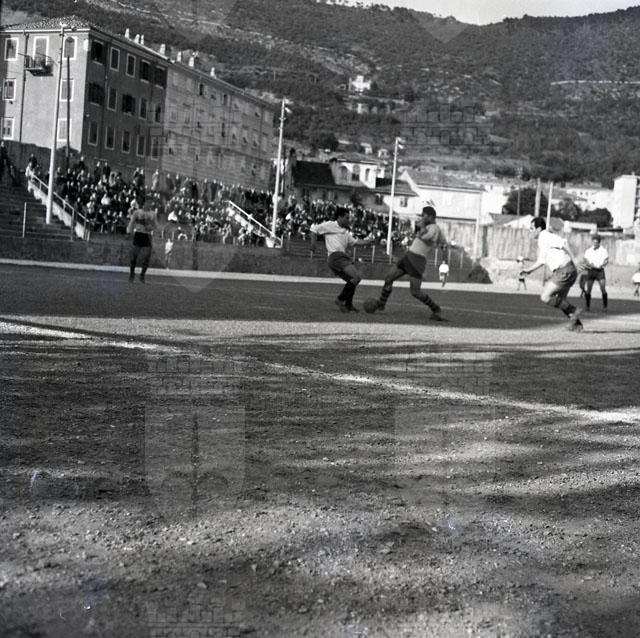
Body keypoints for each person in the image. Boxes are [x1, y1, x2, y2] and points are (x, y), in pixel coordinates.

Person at [371, 205, 447, 321]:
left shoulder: (434, 228)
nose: (422, 217)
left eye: (424, 215)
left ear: (431, 217)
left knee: (415, 292)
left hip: (418, 260)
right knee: (389, 278)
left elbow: (426, 238)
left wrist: (421, 228)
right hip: (409, 256)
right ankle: (381, 303)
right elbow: (433, 240)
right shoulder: (428, 227)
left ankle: (436, 309)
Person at [520, 217, 583, 331]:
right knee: (561, 301)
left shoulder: (545, 236)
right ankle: (577, 325)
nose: (530, 231)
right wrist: (528, 271)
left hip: (564, 270)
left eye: (532, 228)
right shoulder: (543, 240)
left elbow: (564, 243)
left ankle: (574, 311)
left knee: (545, 297)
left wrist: (574, 259)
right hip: (567, 269)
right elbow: (541, 261)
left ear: (539, 229)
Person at [309, 207, 373, 312]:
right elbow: (313, 229)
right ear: (339, 217)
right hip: (336, 256)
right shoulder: (330, 225)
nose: (348, 220)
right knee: (356, 277)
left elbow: (355, 242)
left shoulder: (345, 232)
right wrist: (313, 244)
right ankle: (340, 300)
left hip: (338, 258)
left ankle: (348, 304)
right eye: (346, 217)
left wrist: (368, 241)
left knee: (353, 280)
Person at [126, 200, 157, 283]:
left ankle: (142, 275)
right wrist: (128, 232)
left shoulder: (153, 214)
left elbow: (156, 225)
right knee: (134, 256)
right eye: (147, 203)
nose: (149, 204)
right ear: (144, 204)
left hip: (147, 235)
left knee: (147, 256)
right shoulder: (137, 212)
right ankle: (132, 274)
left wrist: (151, 228)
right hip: (139, 234)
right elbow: (131, 222)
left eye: (150, 203)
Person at [582, 233, 609, 311]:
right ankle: (587, 306)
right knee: (589, 289)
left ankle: (605, 306)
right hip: (591, 270)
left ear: (599, 242)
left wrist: (603, 264)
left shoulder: (603, 250)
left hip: (600, 271)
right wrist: (589, 264)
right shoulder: (589, 251)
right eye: (593, 242)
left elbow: (606, 260)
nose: (594, 243)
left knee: (603, 288)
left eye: (596, 242)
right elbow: (585, 259)